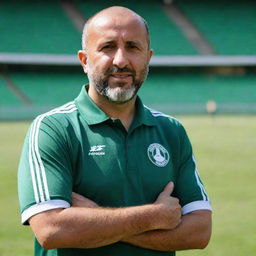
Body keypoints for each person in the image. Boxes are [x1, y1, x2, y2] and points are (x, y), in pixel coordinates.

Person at [18, 6, 212, 256]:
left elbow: (199, 231)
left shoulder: (171, 130)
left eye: (133, 47)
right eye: (108, 47)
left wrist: (95, 220)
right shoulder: (53, 128)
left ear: (148, 58)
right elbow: (52, 230)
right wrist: (154, 216)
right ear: (85, 60)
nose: (121, 60)